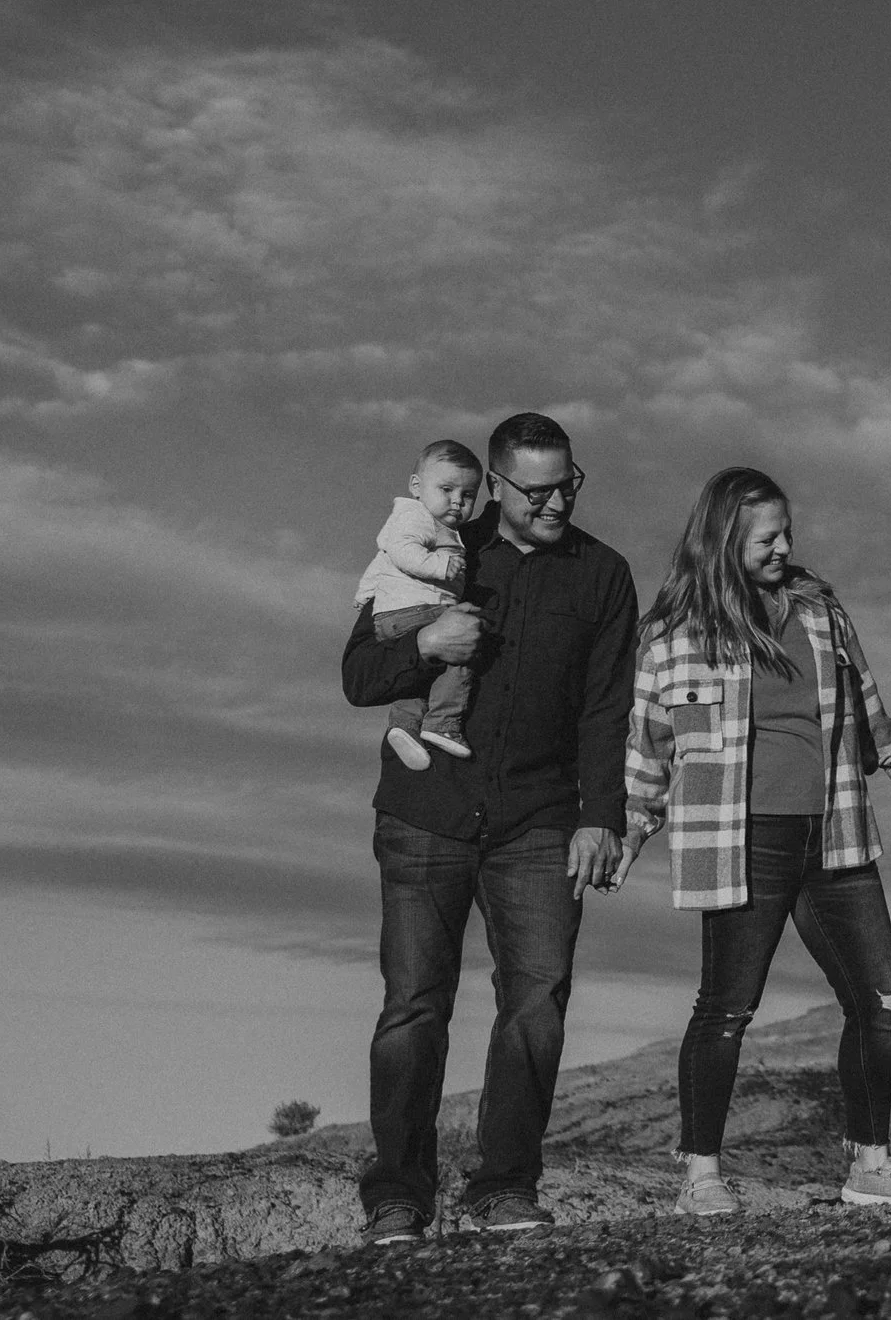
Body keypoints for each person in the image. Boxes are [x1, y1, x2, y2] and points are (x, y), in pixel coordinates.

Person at [340, 412, 637, 1246]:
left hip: (540, 821)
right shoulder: (434, 548)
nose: (555, 503)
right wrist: (428, 644)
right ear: (497, 485)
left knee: (536, 1003)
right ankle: (399, 1196)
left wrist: (602, 817)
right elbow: (358, 674)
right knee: (413, 1005)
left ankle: (504, 1187)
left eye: (566, 486)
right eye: (535, 491)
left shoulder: (604, 574)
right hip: (425, 813)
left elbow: (607, 708)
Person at [616, 466, 891, 1213]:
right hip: (740, 839)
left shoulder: (821, 613)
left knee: (880, 997)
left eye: (787, 533)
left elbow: (869, 707)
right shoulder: (673, 636)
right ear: (724, 539)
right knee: (726, 1007)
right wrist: (632, 826)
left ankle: (870, 1163)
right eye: (767, 538)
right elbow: (648, 742)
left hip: (836, 831)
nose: (784, 547)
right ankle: (700, 1175)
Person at [352, 439, 484, 770]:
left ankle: (404, 725)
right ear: (416, 487)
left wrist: (366, 595)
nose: (457, 501)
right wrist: (441, 565)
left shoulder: (425, 520)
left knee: (420, 672)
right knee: (462, 641)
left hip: (392, 616)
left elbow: (383, 560)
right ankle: (443, 723)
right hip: (417, 609)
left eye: (468, 495)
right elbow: (402, 550)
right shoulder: (418, 516)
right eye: (447, 489)